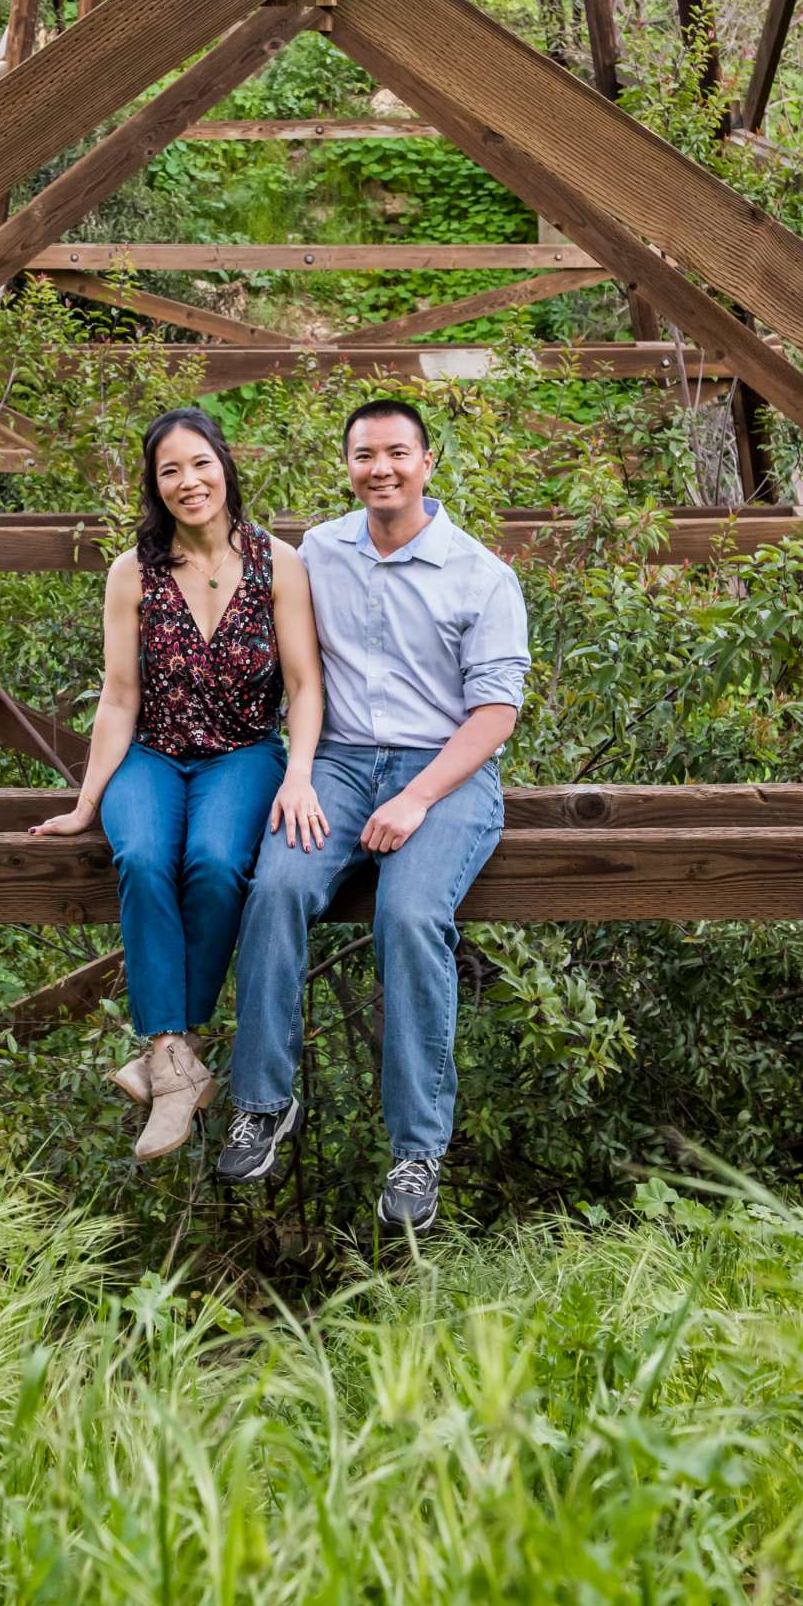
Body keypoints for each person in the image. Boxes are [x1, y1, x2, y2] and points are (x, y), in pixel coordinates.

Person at [217, 398, 529, 1234]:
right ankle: (262, 1103)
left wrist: (418, 796)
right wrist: (298, 769)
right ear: (347, 465)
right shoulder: (317, 552)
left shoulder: (481, 575)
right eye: (364, 455)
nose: (380, 469)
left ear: (429, 462)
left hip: (446, 773)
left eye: (397, 453)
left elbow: (496, 714)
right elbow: (213, 562)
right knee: (275, 889)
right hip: (340, 765)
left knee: (409, 913)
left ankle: (417, 1151)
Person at [30, 407, 325, 1162]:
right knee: (142, 859)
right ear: (154, 486)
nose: (189, 482)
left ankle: (171, 1057)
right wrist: (84, 803)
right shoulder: (132, 571)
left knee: (219, 864)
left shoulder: (277, 563)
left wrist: (298, 775)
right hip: (152, 756)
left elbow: (304, 683)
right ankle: (174, 1059)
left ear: (224, 464)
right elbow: (120, 695)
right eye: (170, 471)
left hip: (243, 754)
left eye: (200, 463)